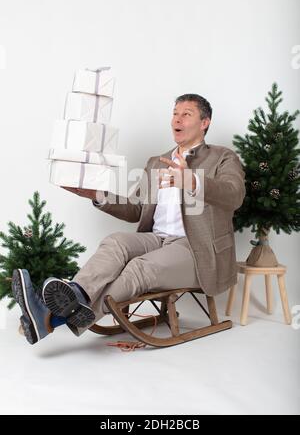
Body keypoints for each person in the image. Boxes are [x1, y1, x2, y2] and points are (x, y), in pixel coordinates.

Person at [12, 93, 245, 344]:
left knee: (140, 268)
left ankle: (50, 318)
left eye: (186, 114)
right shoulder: (157, 162)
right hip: (157, 239)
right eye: (174, 113)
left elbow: (234, 196)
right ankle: (75, 295)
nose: (176, 119)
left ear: (204, 123)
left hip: (196, 250)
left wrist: (192, 181)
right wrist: (97, 194)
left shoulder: (223, 157)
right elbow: (137, 208)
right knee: (115, 242)